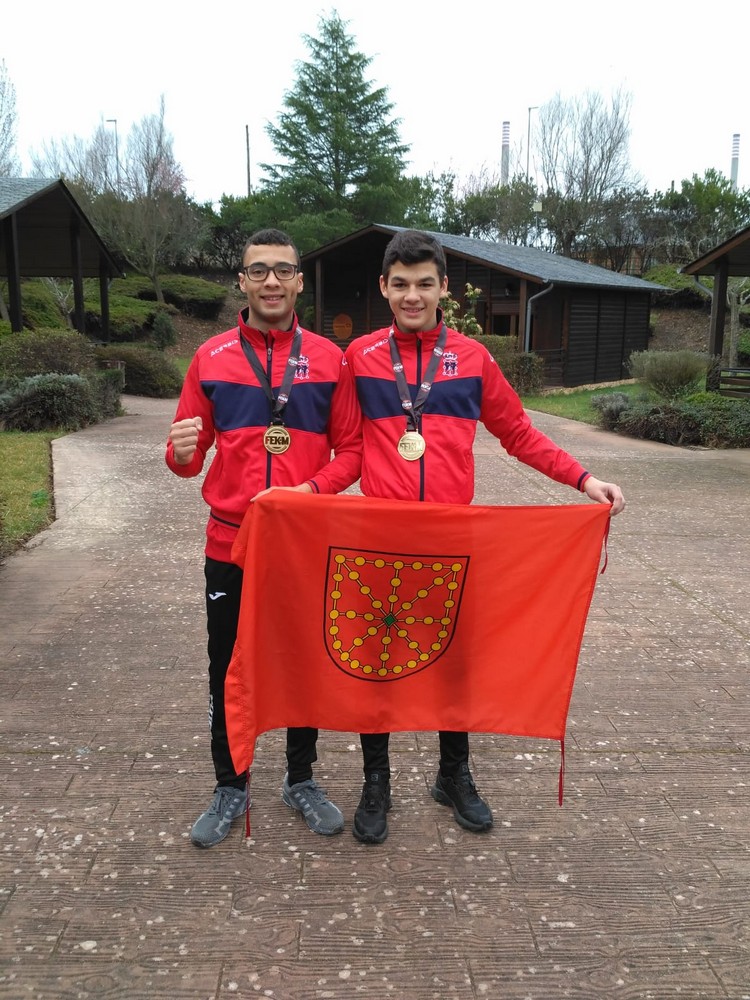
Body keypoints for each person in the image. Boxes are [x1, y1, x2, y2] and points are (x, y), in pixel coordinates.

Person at [344, 229, 625, 845]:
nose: (412, 296)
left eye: (424, 284)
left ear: (444, 287)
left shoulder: (471, 358)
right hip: (381, 540)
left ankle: (453, 774)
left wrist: (584, 479)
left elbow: (518, 433)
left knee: (454, 663)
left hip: (452, 541)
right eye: (401, 284)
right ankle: (375, 782)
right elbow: (344, 448)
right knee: (377, 660)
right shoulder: (359, 357)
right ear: (384, 288)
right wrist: (299, 495)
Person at [166, 228, 361, 848]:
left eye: (282, 270)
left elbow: (352, 451)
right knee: (228, 665)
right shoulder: (211, 357)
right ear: (242, 282)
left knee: (303, 662)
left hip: (305, 542)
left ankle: (300, 779)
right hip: (230, 544)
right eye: (258, 270)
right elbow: (187, 460)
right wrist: (180, 453)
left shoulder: (330, 359)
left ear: (299, 281)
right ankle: (231, 784)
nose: (270, 281)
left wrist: (311, 491)